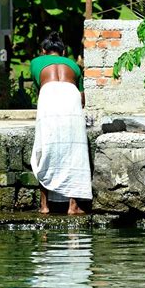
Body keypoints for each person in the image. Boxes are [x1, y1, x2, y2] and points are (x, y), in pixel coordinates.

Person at [30, 31, 93, 215]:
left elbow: (40, 88)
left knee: (45, 146)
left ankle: (44, 205)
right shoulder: (74, 65)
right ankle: (72, 206)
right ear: (63, 52)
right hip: (71, 97)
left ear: (43, 51)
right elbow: (82, 99)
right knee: (74, 149)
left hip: (48, 94)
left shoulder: (35, 62)